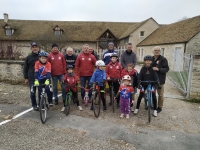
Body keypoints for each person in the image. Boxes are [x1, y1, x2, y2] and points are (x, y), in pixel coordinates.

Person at [152, 46, 169, 113]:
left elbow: (167, 69)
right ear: (153, 51)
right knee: (152, 93)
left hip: (160, 80)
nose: (156, 51)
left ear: (160, 51)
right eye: (155, 50)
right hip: (152, 80)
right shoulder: (151, 58)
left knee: (160, 95)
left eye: (158, 50)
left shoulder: (163, 59)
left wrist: (158, 69)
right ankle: (153, 105)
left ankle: (159, 107)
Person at [23, 42, 40, 111]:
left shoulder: (41, 56)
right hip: (31, 78)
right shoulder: (28, 58)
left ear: (38, 48)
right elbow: (25, 68)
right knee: (33, 92)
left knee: (41, 92)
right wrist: (26, 78)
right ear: (31, 48)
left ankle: (40, 104)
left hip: (40, 77)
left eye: (36, 47)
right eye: (33, 47)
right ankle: (34, 105)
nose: (35, 48)